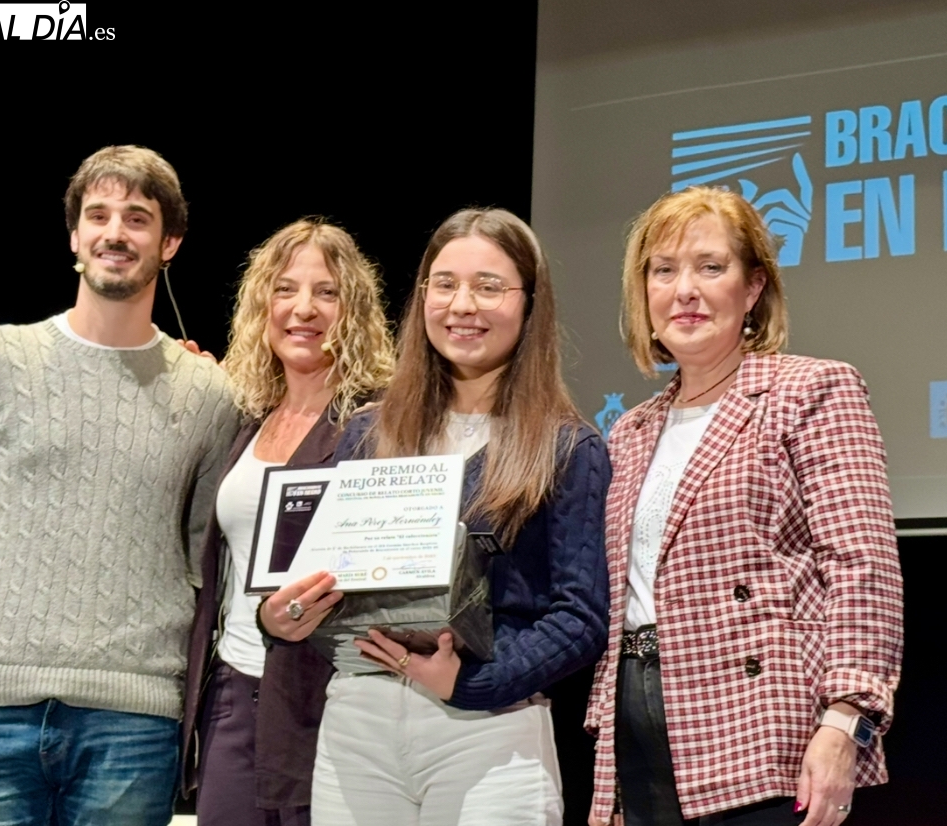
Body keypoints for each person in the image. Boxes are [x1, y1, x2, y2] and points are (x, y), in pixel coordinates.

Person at [0, 145, 239, 825]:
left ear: (169, 243)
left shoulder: (209, 393)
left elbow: (209, 558)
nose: (116, 232)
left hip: (135, 720)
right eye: (99, 215)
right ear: (75, 236)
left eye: (137, 218)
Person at [258, 207, 612, 826]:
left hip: (488, 731)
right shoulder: (367, 433)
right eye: (444, 284)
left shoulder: (566, 448)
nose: (462, 304)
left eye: (489, 286)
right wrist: (284, 615)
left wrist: (471, 684)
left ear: (530, 305)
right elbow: (326, 583)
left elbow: (579, 617)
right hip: (357, 724)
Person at [586, 187, 904, 826]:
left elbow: (862, 568)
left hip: (760, 729)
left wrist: (847, 722)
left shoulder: (810, 390)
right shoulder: (630, 431)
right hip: (638, 729)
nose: (685, 290)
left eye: (711, 267)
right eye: (663, 270)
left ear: (753, 288)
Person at [181, 219, 395, 826]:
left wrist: (296, 615)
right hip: (231, 693)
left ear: (353, 309)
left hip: (325, 700)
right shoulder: (243, 418)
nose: (304, 309)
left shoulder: (379, 424)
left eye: (326, 292)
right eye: (285, 289)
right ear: (261, 304)